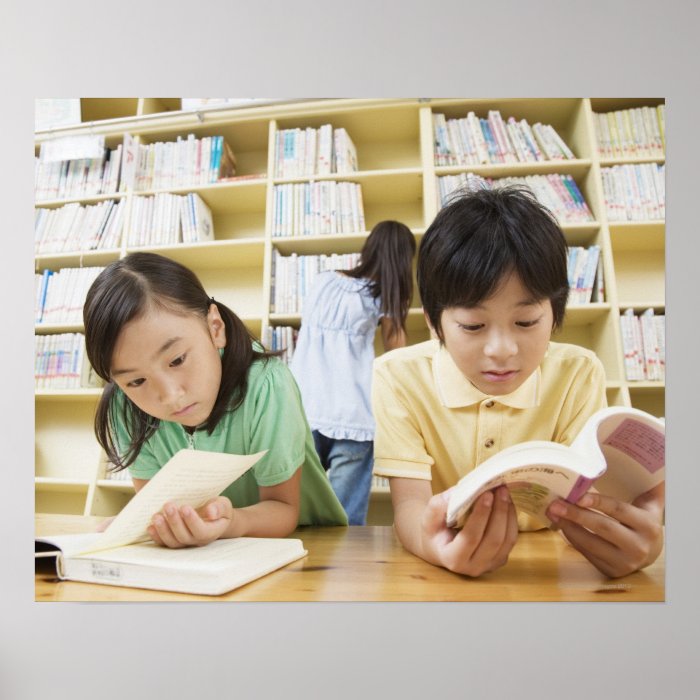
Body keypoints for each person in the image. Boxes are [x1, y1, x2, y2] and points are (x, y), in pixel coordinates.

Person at [372, 186, 664, 578]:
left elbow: (592, 499)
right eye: (473, 325)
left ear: (556, 312)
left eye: (526, 322)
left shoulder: (578, 373)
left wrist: (632, 537)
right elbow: (409, 506)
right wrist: (431, 545)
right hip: (440, 576)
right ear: (433, 321)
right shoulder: (398, 376)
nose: (502, 350)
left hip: (549, 570)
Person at [83, 252, 347, 548]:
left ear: (215, 328)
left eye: (177, 359)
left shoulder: (267, 384)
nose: (170, 396)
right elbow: (157, 507)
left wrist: (232, 522)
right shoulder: (125, 407)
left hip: (312, 544)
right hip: (209, 557)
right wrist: (146, 523)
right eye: (136, 381)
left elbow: (284, 510)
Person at [290, 220, 416, 524]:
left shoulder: (322, 282)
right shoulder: (380, 296)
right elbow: (396, 354)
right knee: (344, 520)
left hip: (305, 410)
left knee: (296, 511)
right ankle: (341, 571)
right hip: (354, 414)